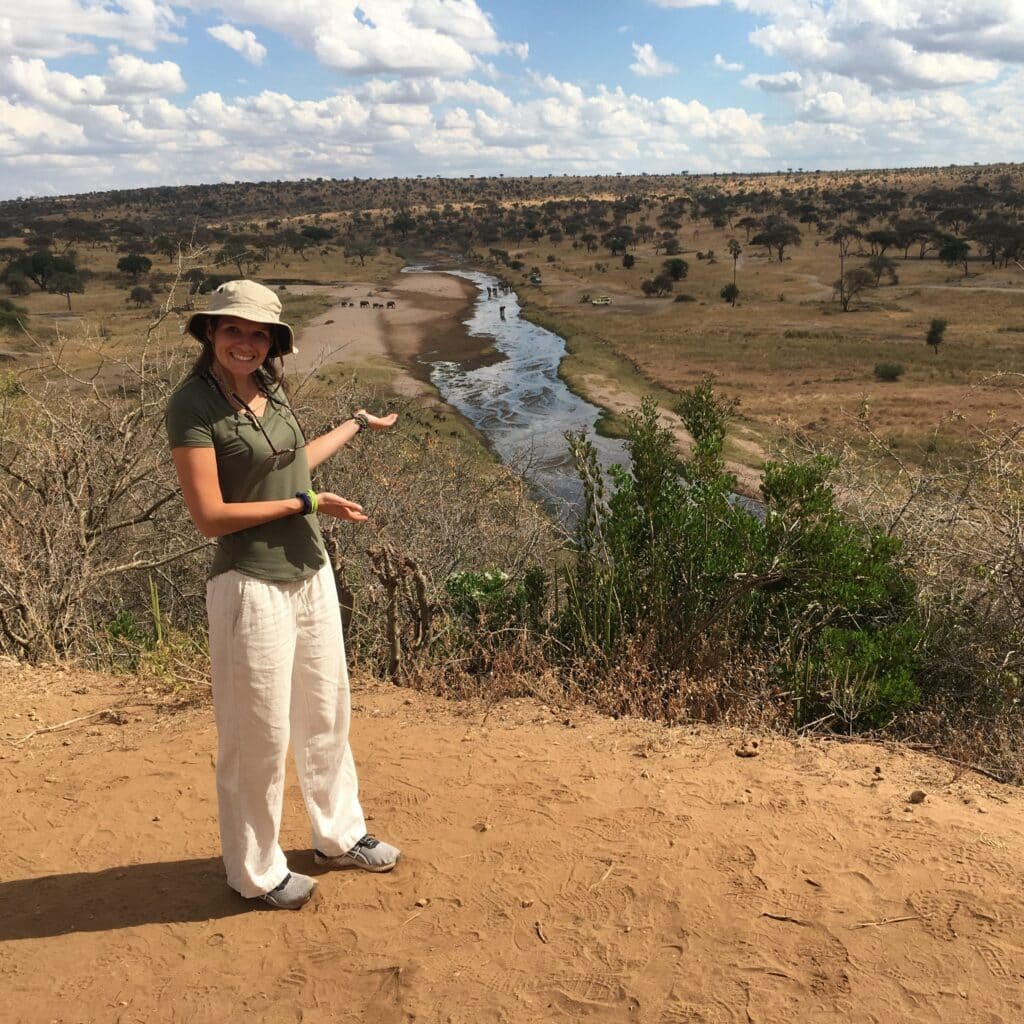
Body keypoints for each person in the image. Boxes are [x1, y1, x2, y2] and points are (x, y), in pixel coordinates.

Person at [166, 279, 400, 910]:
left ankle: (339, 835)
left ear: (272, 343)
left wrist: (355, 423)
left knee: (326, 712)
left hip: (309, 570)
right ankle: (256, 872)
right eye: (233, 329)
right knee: (258, 734)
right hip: (249, 584)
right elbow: (210, 517)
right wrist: (306, 505)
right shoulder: (192, 405)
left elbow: (294, 464)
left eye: (258, 333)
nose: (245, 343)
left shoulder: (269, 391)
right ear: (211, 331)